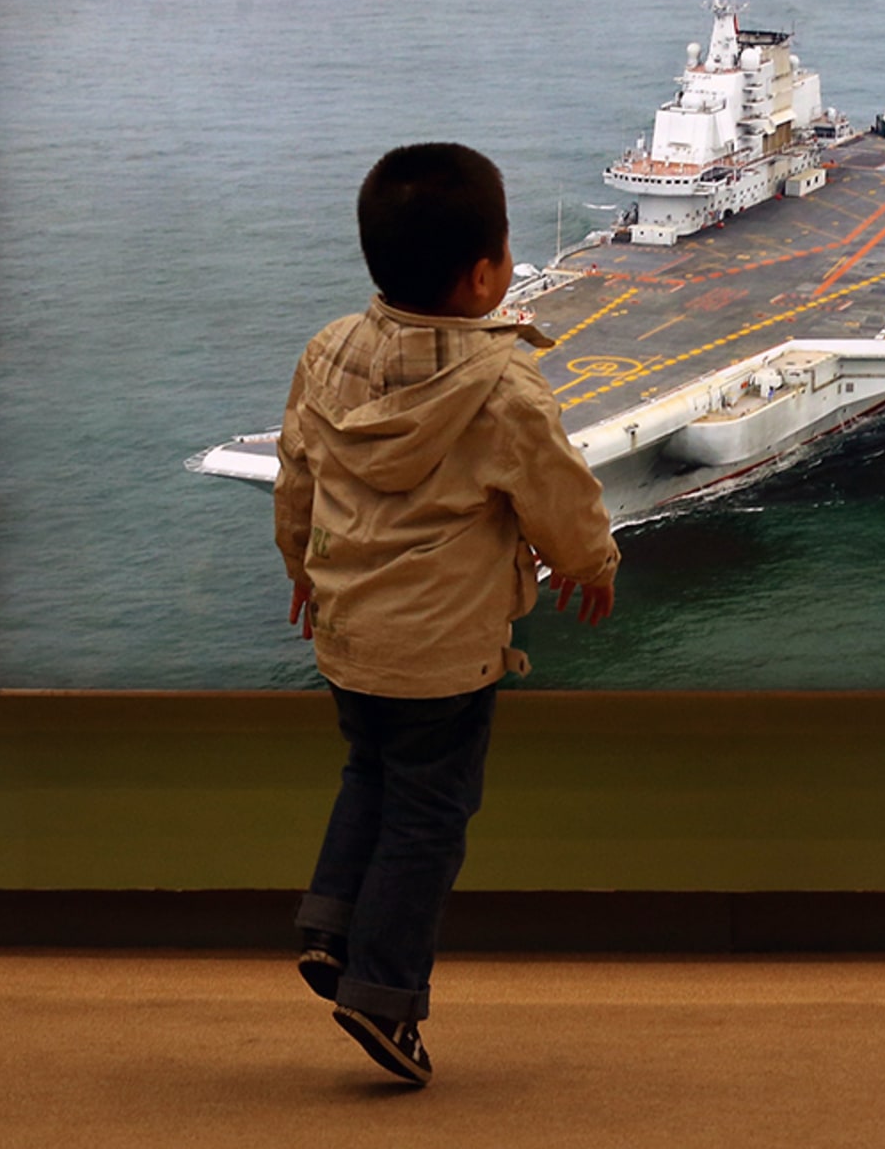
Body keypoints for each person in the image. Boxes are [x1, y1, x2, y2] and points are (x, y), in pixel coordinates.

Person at [274, 142, 619, 1085]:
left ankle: (331, 924)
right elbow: (561, 498)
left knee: (369, 771)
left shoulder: (326, 352)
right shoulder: (505, 388)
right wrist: (593, 565)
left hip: (348, 634)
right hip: (445, 655)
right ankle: (383, 996)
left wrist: (301, 566)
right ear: (485, 275)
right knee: (430, 816)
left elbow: (297, 474)